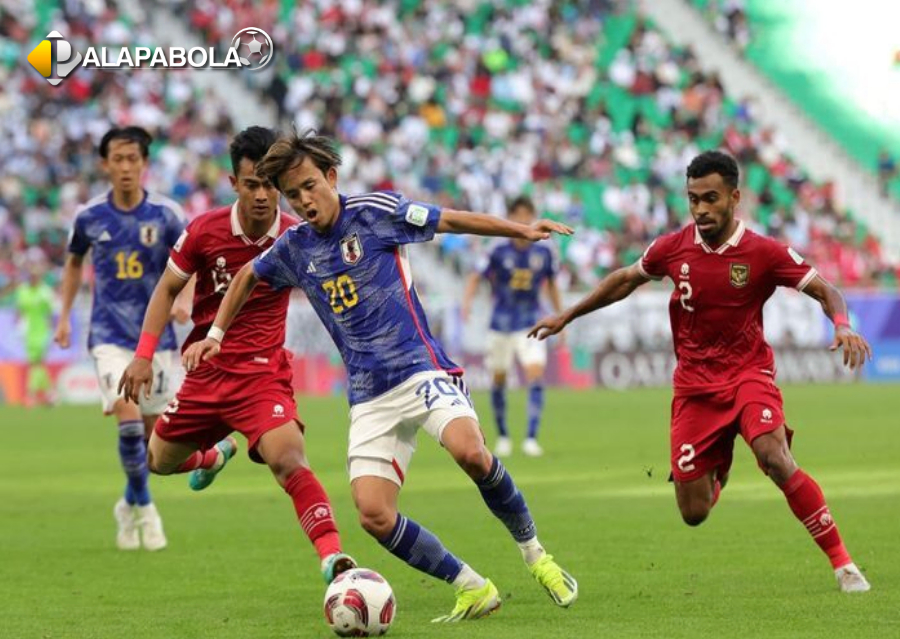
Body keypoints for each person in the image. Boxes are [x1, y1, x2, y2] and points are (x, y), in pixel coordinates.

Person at [183, 131, 579, 622]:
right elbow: (246, 276)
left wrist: (518, 230)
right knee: (372, 514)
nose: (303, 200)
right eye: (293, 194)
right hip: (369, 396)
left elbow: (447, 218)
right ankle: (472, 587)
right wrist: (217, 332)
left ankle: (537, 556)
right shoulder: (294, 247)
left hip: (420, 369)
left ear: (330, 177)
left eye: (309, 186)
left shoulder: (374, 211)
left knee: (471, 451)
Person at [530, 150, 872, 593]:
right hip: (694, 388)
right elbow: (625, 279)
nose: (700, 209)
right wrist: (568, 315)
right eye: (693, 199)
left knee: (774, 456)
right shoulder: (673, 247)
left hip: (749, 375)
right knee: (694, 514)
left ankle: (843, 564)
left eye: (710, 198)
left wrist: (842, 325)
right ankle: (719, 466)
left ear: (735, 197)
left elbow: (826, 290)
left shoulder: (764, 252)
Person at [117, 126, 355, 584]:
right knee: (157, 461)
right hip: (206, 372)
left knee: (289, 460)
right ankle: (214, 455)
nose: (263, 195)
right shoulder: (204, 230)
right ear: (234, 184)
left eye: (270, 185)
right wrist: (144, 354)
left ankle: (334, 558)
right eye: (252, 184)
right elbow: (167, 288)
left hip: (262, 374)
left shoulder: (297, 236)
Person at [54, 126, 192, 552]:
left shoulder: (167, 215)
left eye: (134, 159)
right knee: (128, 421)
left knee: (154, 448)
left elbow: (191, 264)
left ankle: (128, 502)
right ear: (105, 164)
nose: (127, 167)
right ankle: (148, 511)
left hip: (157, 342)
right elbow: (75, 263)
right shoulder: (89, 217)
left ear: (145, 163)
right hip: (109, 337)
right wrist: (64, 318)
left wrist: (184, 299)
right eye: (119, 159)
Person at [460, 195, 564, 457]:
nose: (522, 220)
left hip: (531, 322)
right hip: (500, 324)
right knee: (499, 379)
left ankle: (531, 437)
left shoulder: (544, 251)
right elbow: (475, 276)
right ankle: (504, 435)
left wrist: (562, 316)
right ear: (510, 217)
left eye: (526, 215)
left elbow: (551, 285)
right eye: (517, 215)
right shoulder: (498, 250)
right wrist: (467, 303)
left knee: (535, 374)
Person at [15, 261, 55, 407]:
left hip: (43, 332)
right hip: (28, 332)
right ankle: (50, 394)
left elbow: (51, 313)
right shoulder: (23, 291)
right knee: (38, 364)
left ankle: (31, 395)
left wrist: (52, 331)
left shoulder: (45, 292)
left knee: (36, 363)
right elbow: (19, 311)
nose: (33, 278)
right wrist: (18, 327)